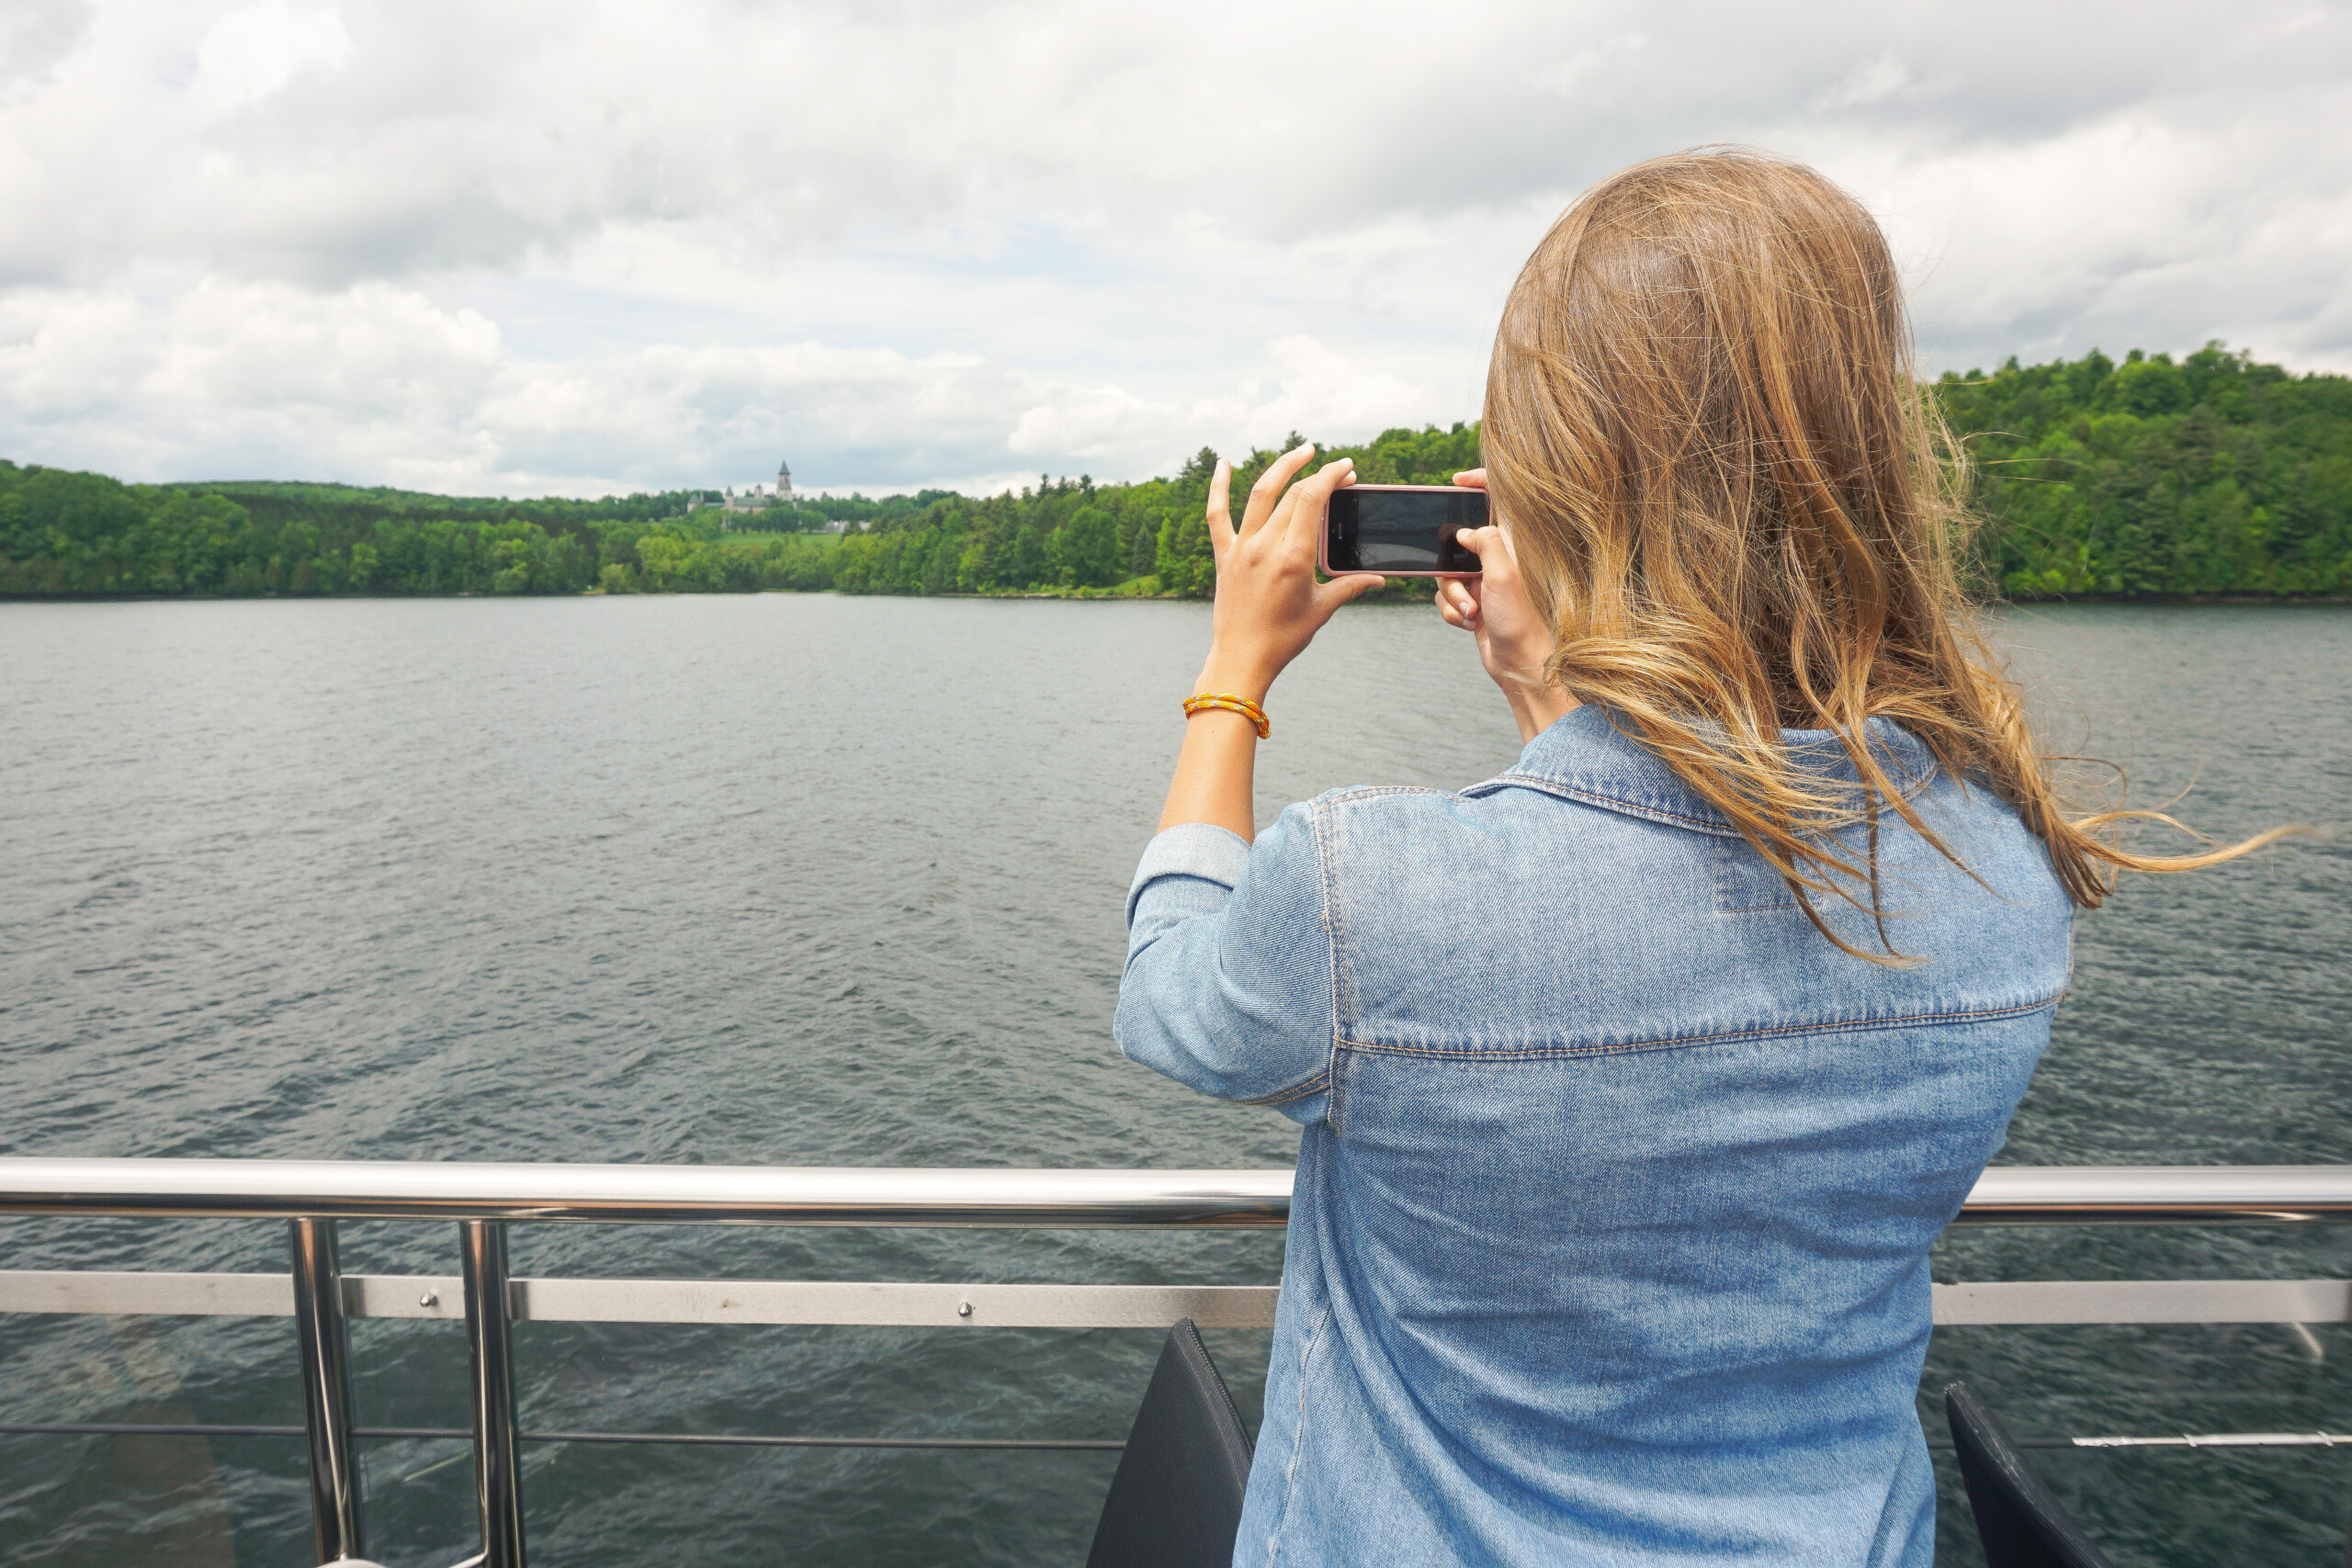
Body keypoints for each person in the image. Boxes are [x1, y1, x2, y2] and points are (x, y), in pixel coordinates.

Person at [1113, 148, 2289, 1567]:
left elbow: (1174, 999)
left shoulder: (1368, 892)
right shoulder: (2006, 872)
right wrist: (1558, 692)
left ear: (1563, 492)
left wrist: (1234, 673)